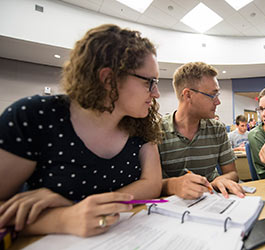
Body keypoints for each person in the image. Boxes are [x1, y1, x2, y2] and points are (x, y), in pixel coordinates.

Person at [0, 24, 163, 237]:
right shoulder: (33, 115)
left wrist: (77, 204)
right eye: (150, 82)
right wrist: (63, 219)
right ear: (108, 79)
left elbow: (152, 184)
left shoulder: (141, 122)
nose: (157, 93)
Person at [158, 62, 245, 200]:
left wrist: (220, 180)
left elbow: (232, 173)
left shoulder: (217, 129)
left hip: (212, 201)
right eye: (213, 95)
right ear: (188, 95)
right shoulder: (156, 131)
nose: (218, 102)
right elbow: (151, 185)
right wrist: (174, 185)